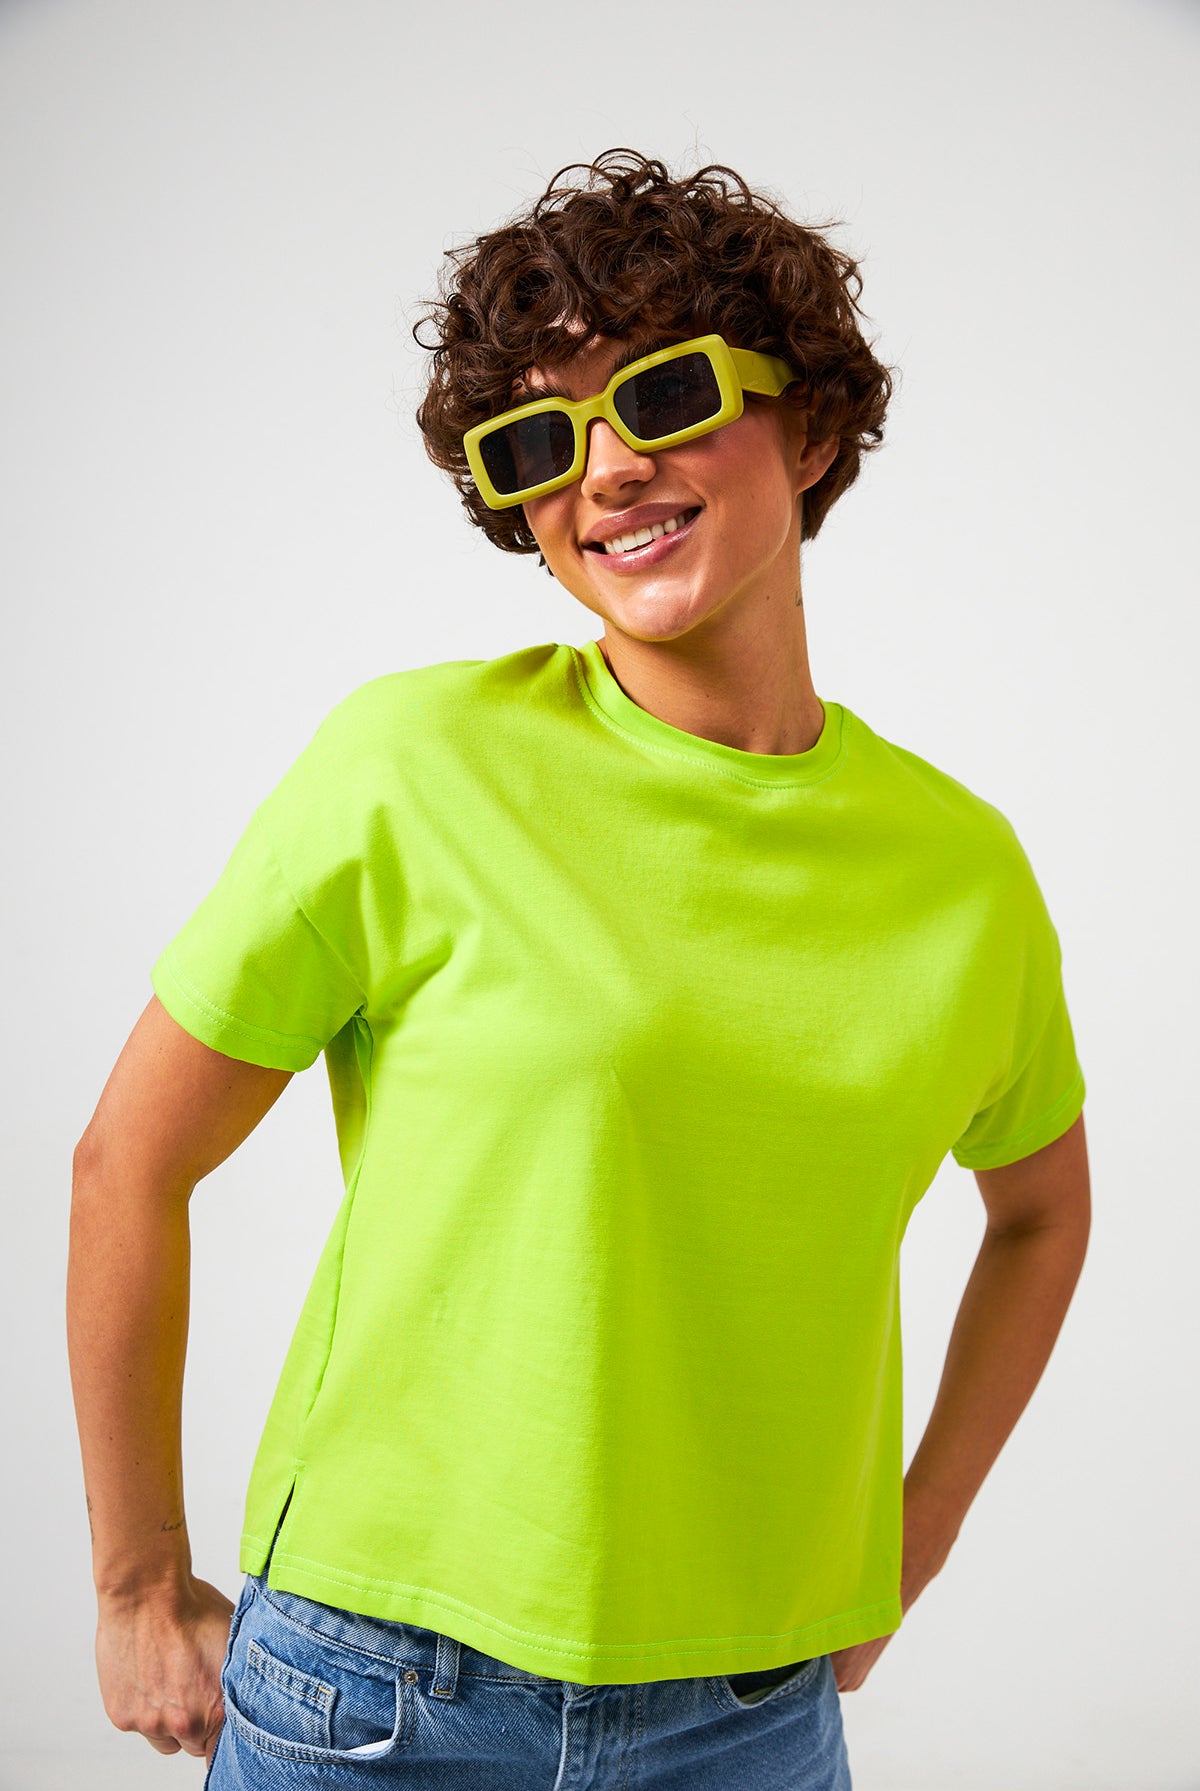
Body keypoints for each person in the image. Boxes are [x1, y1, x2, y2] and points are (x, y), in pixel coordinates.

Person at [67, 149, 1091, 1791]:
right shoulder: (415, 766)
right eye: (539, 444)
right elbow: (129, 1158)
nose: (608, 469)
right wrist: (134, 1585)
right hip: (378, 1696)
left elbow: (1040, 1211)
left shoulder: (961, 873)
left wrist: (920, 1531)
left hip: (752, 1718)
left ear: (812, 426)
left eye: (667, 395)